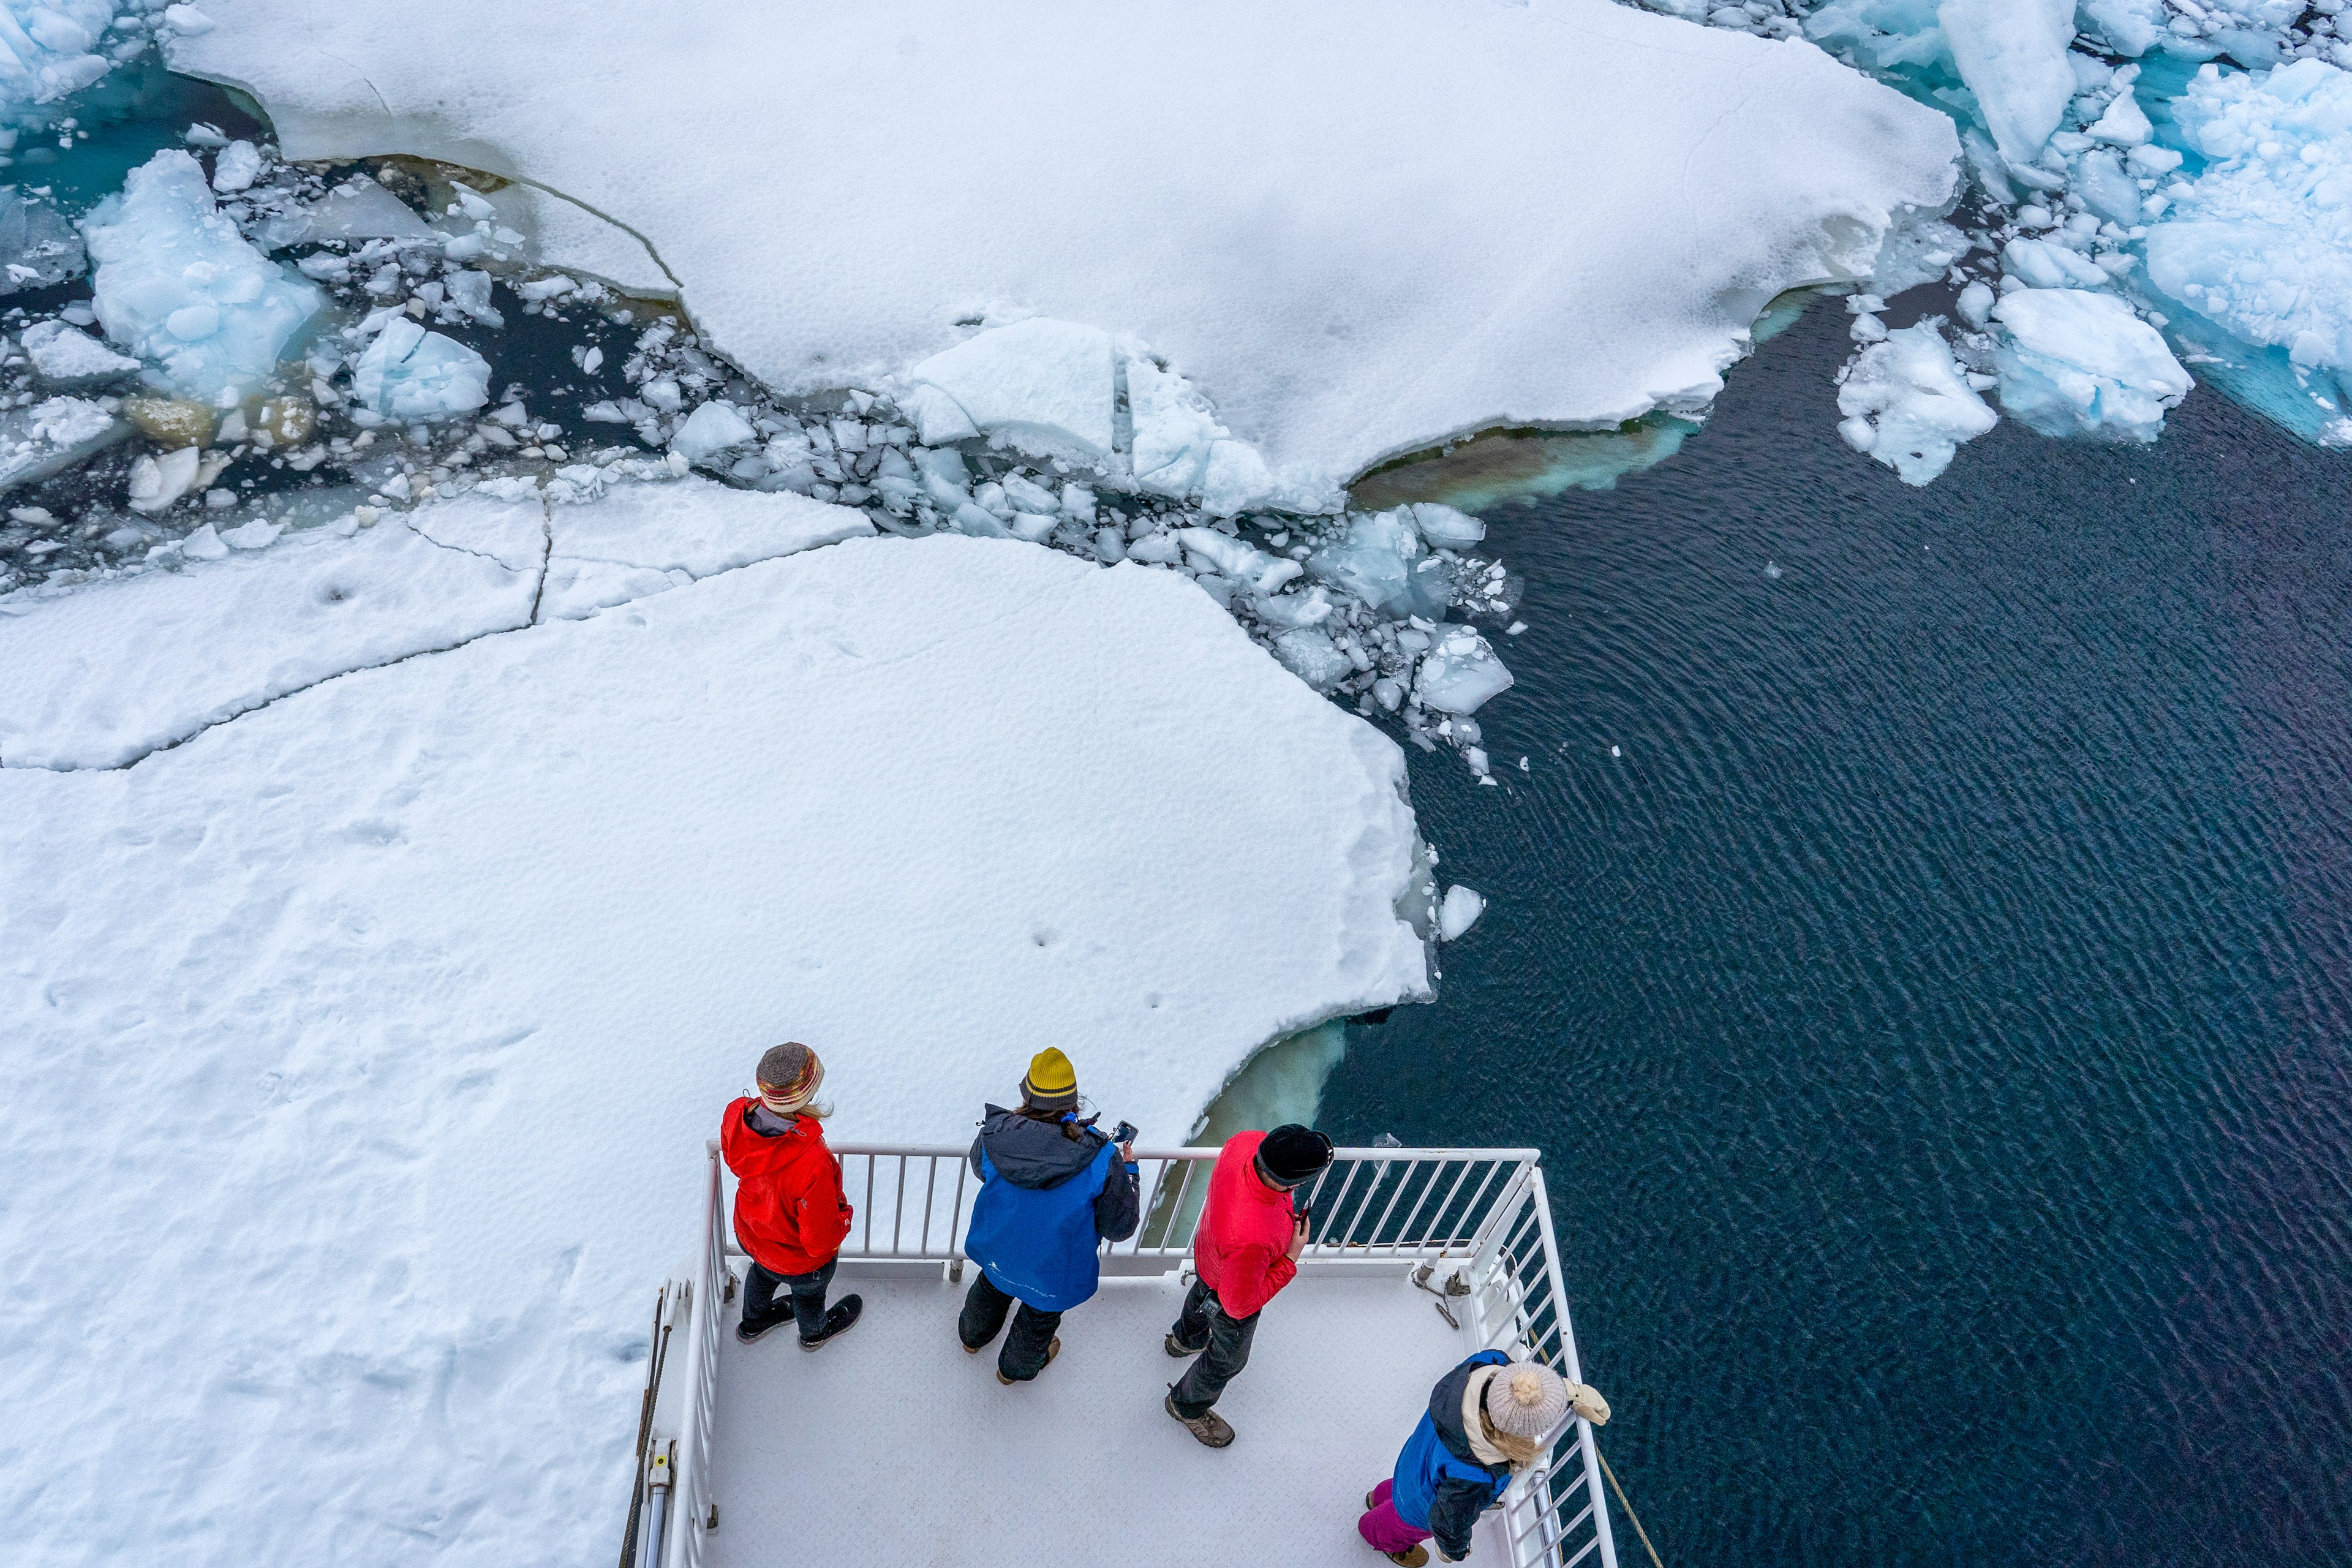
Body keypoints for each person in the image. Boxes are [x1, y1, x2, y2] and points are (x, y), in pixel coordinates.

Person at [957, 1047, 1142, 1384]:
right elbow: (1120, 1226)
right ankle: (1011, 1371)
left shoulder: (993, 1136)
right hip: (1054, 1267)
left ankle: (972, 1339)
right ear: (1073, 1102)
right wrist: (1130, 1173)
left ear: (1026, 1094)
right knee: (1039, 1319)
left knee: (991, 1286)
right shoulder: (1102, 1158)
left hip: (999, 1246)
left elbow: (981, 1170)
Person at [1161, 1121, 1333, 1447]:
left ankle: (1183, 1340)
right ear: (1295, 1182)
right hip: (1234, 1273)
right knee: (1228, 1359)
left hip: (1210, 1252)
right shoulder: (1252, 1238)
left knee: (1202, 1297)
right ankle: (1186, 1406)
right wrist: (1289, 1259)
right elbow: (1240, 1304)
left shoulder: (1245, 1142)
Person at [1357, 1353, 1610, 1566]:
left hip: (1416, 1457)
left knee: (1397, 1488)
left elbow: (1521, 1386)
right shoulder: (1475, 1476)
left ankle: (1375, 1498)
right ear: (1520, 1433)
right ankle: (1374, 1533)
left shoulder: (1485, 1365)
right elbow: (1447, 1522)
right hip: (1421, 1505)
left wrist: (1572, 1393)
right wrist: (1453, 1551)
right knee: (1396, 1525)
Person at [720, 1041, 862, 1349]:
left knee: (761, 1276)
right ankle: (814, 1334)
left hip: (755, 1238)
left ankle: (753, 1324)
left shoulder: (736, 1118)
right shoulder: (811, 1161)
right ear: (807, 1096)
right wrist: (844, 1219)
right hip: (800, 1260)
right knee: (809, 1297)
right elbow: (820, 1238)